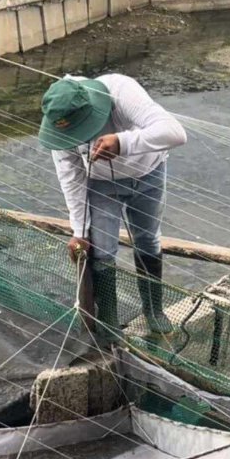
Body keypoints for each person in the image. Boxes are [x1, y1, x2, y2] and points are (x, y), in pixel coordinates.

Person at [38, 73, 187, 337]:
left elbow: (175, 133)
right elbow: (71, 177)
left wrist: (122, 142)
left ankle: (154, 310)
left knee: (147, 239)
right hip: (101, 184)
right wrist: (79, 231)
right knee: (102, 251)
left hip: (148, 171)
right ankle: (108, 322)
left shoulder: (120, 91)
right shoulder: (60, 124)